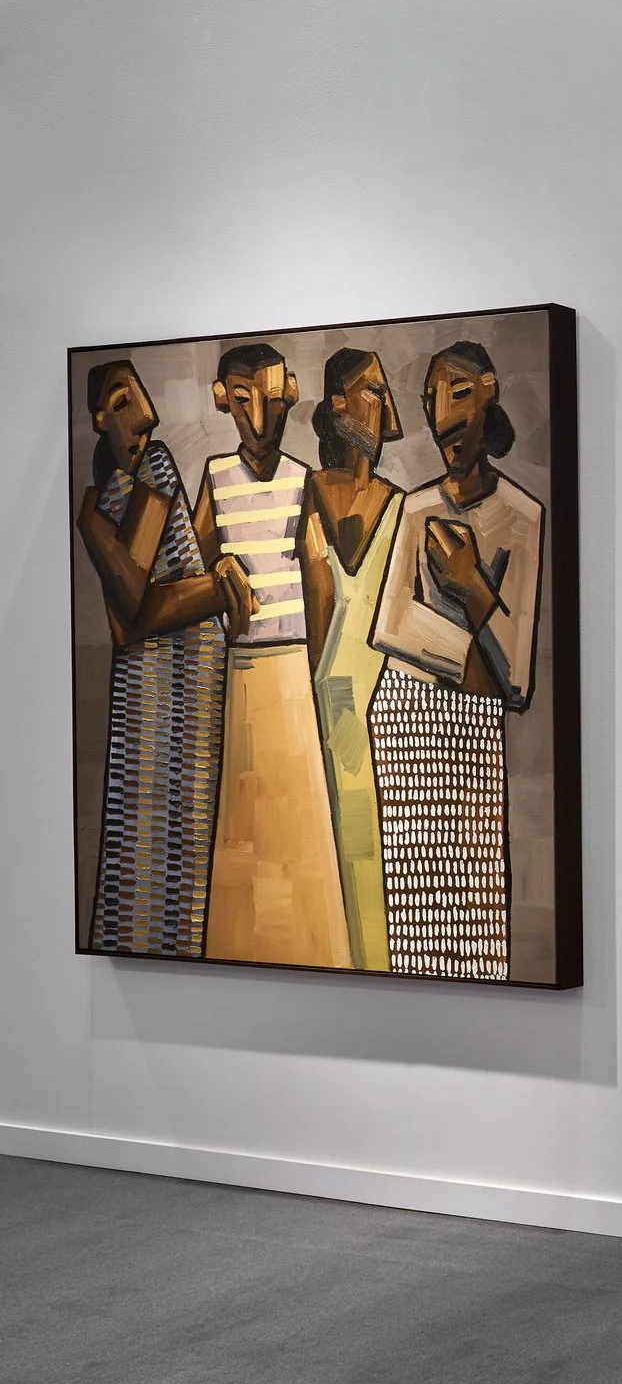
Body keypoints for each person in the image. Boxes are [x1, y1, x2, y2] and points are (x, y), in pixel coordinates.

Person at [370, 342, 545, 981]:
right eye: (432, 401)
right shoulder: (415, 509)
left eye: (461, 392)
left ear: (490, 391)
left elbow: (517, 676)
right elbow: (390, 627)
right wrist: (475, 646)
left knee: (473, 922)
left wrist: (470, 586)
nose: (444, 414)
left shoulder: (522, 516)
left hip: (473, 735)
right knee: (412, 919)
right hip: (405, 723)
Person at [74, 360, 250, 958]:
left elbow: (153, 591)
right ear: (99, 418)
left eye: (140, 398)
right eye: (123, 401)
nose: (145, 415)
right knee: (143, 842)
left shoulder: (155, 470)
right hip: (149, 694)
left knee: (188, 847)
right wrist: (217, 588)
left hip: (195, 681)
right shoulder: (107, 503)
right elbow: (134, 612)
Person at [194, 344, 354, 967]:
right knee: (242, 832)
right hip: (236, 677)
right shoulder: (214, 478)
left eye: (268, 400)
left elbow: (320, 581)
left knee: (298, 829)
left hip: (289, 678)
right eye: (242, 401)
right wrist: (216, 575)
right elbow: (194, 570)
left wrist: (307, 676)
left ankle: (310, 954)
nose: (258, 419)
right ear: (223, 401)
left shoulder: (300, 479)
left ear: (288, 394)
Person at [305, 348, 406, 973]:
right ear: (337, 403)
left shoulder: (401, 503)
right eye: (372, 390)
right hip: (332, 699)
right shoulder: (313, 492)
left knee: (379, 859)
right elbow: (317, 613)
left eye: (385, 392)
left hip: (387, 709)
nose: (385, 406)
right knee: (343, 850)